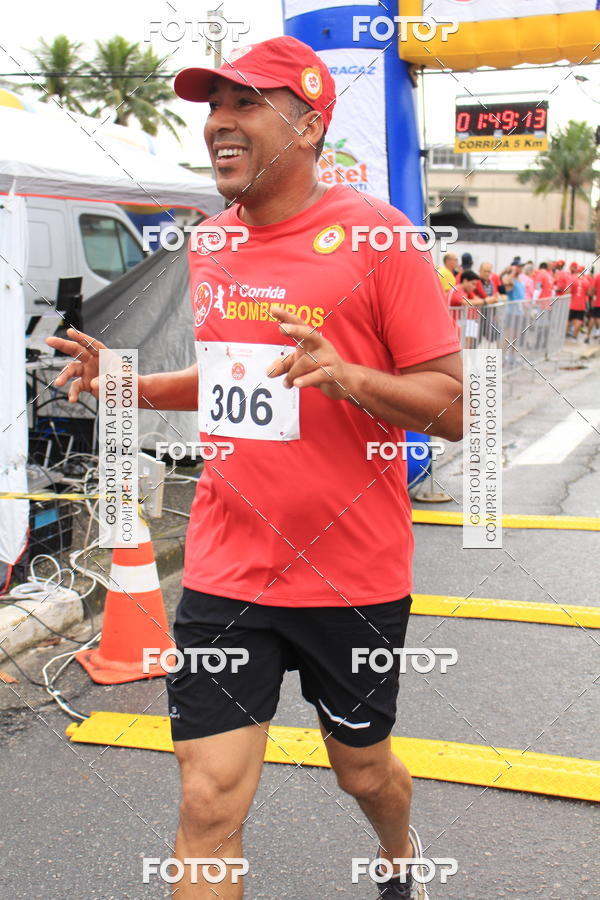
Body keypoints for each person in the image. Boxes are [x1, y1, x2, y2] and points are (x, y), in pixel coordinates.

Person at [47, 35, 463, 900]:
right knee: (206, 801)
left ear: (308, 125)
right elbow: (231, 377)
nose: (220, 123)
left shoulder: (380, 239)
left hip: (351, 574)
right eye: (214, 106)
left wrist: (349, 378)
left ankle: (398, 854)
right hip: (229, 567)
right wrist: (128, 381)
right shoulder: (209, 244)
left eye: (246, 103)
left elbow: (458, 408)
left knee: (363, 771)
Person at [447, 269, 484, 348]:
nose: (474, 287)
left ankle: (467, 354)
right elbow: (466, 302)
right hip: (452, 324)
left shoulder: (466, 290)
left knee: (470, 334)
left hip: (459, 322)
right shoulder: (457, 290)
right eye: (473, 284)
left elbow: (477, 299)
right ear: (465, 281)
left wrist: (483, 301)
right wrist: (485, 301)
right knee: (462, 346)